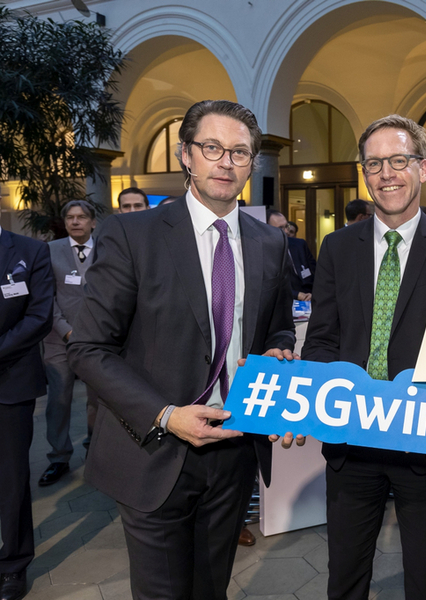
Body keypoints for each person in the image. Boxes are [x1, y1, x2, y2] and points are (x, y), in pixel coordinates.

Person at [68, 99, 297, 600]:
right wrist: (167, 415)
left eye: (240, 152)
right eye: (212, 147)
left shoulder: (268, 243)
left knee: (211, 587)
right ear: (185, 156)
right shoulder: (132, 234)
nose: (227, 161)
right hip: (154, 449)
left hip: (234, 449)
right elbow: (88, 348)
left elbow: (278, 329)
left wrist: (279, 353)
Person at [298, 114, 426, 600]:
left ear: (422, 168)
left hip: (424, 442)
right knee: (346, 577)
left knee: (425, 579)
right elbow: (321, 339)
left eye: (398, 160)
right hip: (350, 440)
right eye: (374, 163)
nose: (386, 174)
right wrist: (310, 403)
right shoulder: (336, 247)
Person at [0, 227, 54, 600]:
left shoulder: (31, 250)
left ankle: (12, 566)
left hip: (10, 381)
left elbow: (39, 316)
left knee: (11, 479)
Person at [39, 200, 98, 488]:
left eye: (82, 217)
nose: (76, 222)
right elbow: (44, 298)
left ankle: (96, 455)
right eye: (70, 218)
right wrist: (66, 332)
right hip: (59, 339)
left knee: (97, 401)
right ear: (64, 223)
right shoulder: (49, 251)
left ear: (92, 222)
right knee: (59, 401)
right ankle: (58, 458)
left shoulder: (108, 248)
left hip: (98, 340)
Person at [267, 210, 316, 300]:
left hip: (310, 297)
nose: (286, 231)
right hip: (286, 300)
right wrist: (297, 295)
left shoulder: (300, 245)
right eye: (281, 228)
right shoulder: (265, 252)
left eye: (286, 226)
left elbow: (316, 273)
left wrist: (315, 293)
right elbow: (270, 286)